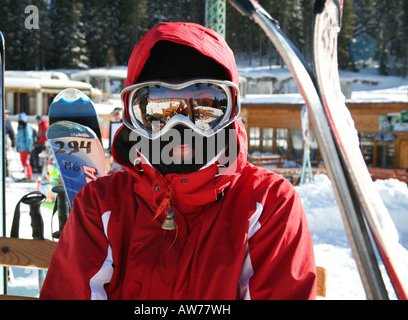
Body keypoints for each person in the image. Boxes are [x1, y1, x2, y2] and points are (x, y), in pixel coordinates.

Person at [40, 22, 316, 300]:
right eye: (159, 110)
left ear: (230, 111)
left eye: (203, 107)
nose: (180, 127)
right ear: (134, 116)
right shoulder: (101, 204)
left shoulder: (267, 204)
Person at [16, 112, 34, 181]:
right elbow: (18, 138)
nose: (20, 121)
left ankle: (29, 176)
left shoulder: (26, 127)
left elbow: (29, 137)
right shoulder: (20, 127)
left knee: (26, 162)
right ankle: (26, 174)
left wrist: (29, 147)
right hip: (21, 148)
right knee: (23, 162)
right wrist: (17, 146)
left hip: (26, 148)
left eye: (21, 119)